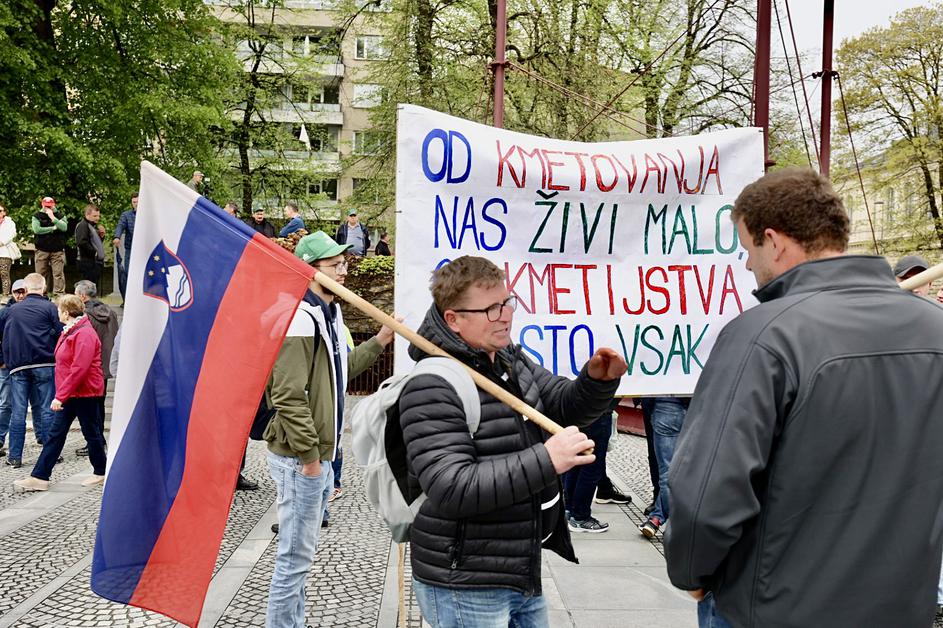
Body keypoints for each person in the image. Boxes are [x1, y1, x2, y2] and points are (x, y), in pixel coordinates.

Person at [664, 167, 943, 628]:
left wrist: (691, 570)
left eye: (748, 250)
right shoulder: (934, 328)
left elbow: (708, 491)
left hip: (772, 607)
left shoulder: (762, 335)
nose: (749, 265)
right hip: (900, 606)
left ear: (773, 241)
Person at [399, 255, 627, 627]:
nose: (505, 316)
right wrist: (547, 460)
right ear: (453, 319)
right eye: (490, 309)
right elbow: (451, 487)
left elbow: (561, 406)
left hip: (520, 568)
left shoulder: (508, 359)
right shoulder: (431, 385)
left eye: (506, 303)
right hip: (465, 581)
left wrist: (597, 381)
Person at [263, 230, 394, 628]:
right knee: (293, 557)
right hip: (299, 460)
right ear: (310, 270)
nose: (344, 271)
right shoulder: (300, 318)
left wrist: (380, 340)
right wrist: (310, 459)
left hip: (318, 457)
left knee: (301, 555)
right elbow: (287, 395)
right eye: (334, 265)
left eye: (344, 263)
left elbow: (340, 372)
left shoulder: (329, 314)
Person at [13, 295, 106, 491]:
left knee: (91, 434)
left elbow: (79, 369)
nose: (57, 313)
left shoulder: (84, 333)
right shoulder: (73, 331)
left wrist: (60, 396)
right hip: (74, 392)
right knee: (57, 434)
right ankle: (40, 476)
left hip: (84, 393)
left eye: (58, 310)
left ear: (66, 312)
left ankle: (101, 471)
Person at [0, 273, 63, 468]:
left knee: (18, 412)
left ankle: (15, 456)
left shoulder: (10, 310)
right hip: (45, 363)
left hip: (18, 366)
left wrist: (4, 360)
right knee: (47, 409)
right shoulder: (51, 308)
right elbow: (61, 334)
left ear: (26, 289)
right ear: (43, 288)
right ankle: (49, 454)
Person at [562, 399, 631, 533]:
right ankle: (580, 517)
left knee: (576, 463)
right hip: (597, 412)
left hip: (579, 411)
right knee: (591, 467)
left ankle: (569, 510)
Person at [73, 280, 118, 456]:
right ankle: (99, 440)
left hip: (92, 366)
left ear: (82, 296)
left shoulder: (85, 315)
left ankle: (96, 442)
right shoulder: (111, 312)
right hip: (105, 365)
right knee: (99, 405)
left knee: (91, 408)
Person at [638, 397, 689, 538]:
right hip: (702, 404)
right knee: (694, 469)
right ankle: (659, 518)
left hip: (666, 403)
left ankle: (660, 518)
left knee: (667, 473)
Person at [0, 280, 27, 458]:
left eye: (22, 292)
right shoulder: (5, 312)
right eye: (16, 292)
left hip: (26, 362)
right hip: (8, 365)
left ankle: (42, 438)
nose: (20, 295)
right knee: (5, 403)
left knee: (37, 405)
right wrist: (1, 360)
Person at [32, 196, 68, 297]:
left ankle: (58, 294)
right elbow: (37, 230)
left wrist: (53, 218)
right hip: (41, 249)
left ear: (54, 205)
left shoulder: (60, 216)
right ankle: (40, 294)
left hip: (57, 250)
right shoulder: (36, 216)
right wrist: (52, 228)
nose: (48, 208)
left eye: (50, 206)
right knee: (40, 274)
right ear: (42, 204)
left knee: (58, 273)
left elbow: (64, 227)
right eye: (46, 206)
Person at [74, 204, 106, 289]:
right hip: (87, 261)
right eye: (95, 216)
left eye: (98, 216)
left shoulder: (92, 226)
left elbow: (95, 243)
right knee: (88, 287)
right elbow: (81, 242)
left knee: (93, 286)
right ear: (87, 215)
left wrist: (101, 236)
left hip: (93, 262)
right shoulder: (83, 225)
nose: (97, 218)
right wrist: (94, 252)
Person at [113, 195, 137, 301]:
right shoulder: (126, 215)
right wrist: (117, 237)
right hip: (130, 249)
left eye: (137, 202)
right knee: (128, 274)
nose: (136, 204)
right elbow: (120, 226)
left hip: (145, 250)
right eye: (134, 202)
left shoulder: (148, 215)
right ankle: (127, 300)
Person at [0, 203, 17, 297]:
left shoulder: (10, 222)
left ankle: (5, 295)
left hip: (5, 252)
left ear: (4, 212)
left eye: (0, 211)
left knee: (4, 274)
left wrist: (1, 242)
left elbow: (12, 234)